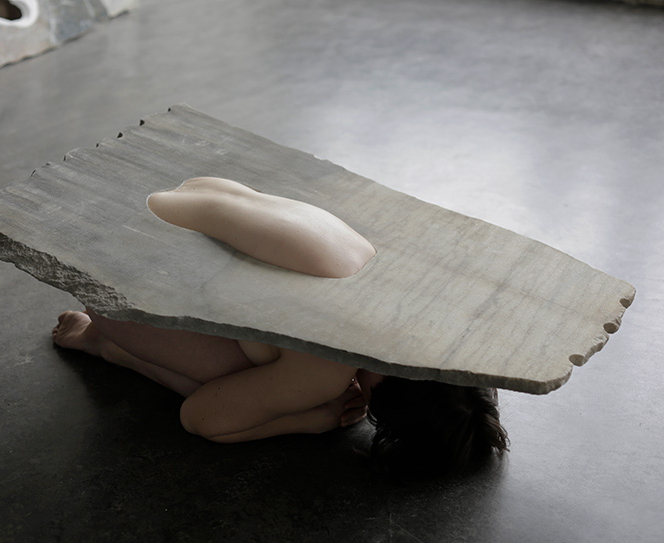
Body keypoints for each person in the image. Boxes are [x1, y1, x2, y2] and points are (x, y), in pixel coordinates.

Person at [52, 177, 508, 478]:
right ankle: (108, 343)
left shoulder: (393, 295)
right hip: (111, 282)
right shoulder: (328, 369)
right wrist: (313, 418)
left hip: (172, 195)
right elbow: (199, 419)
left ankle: (113, 337)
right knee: (249, 394)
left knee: (272, 367)